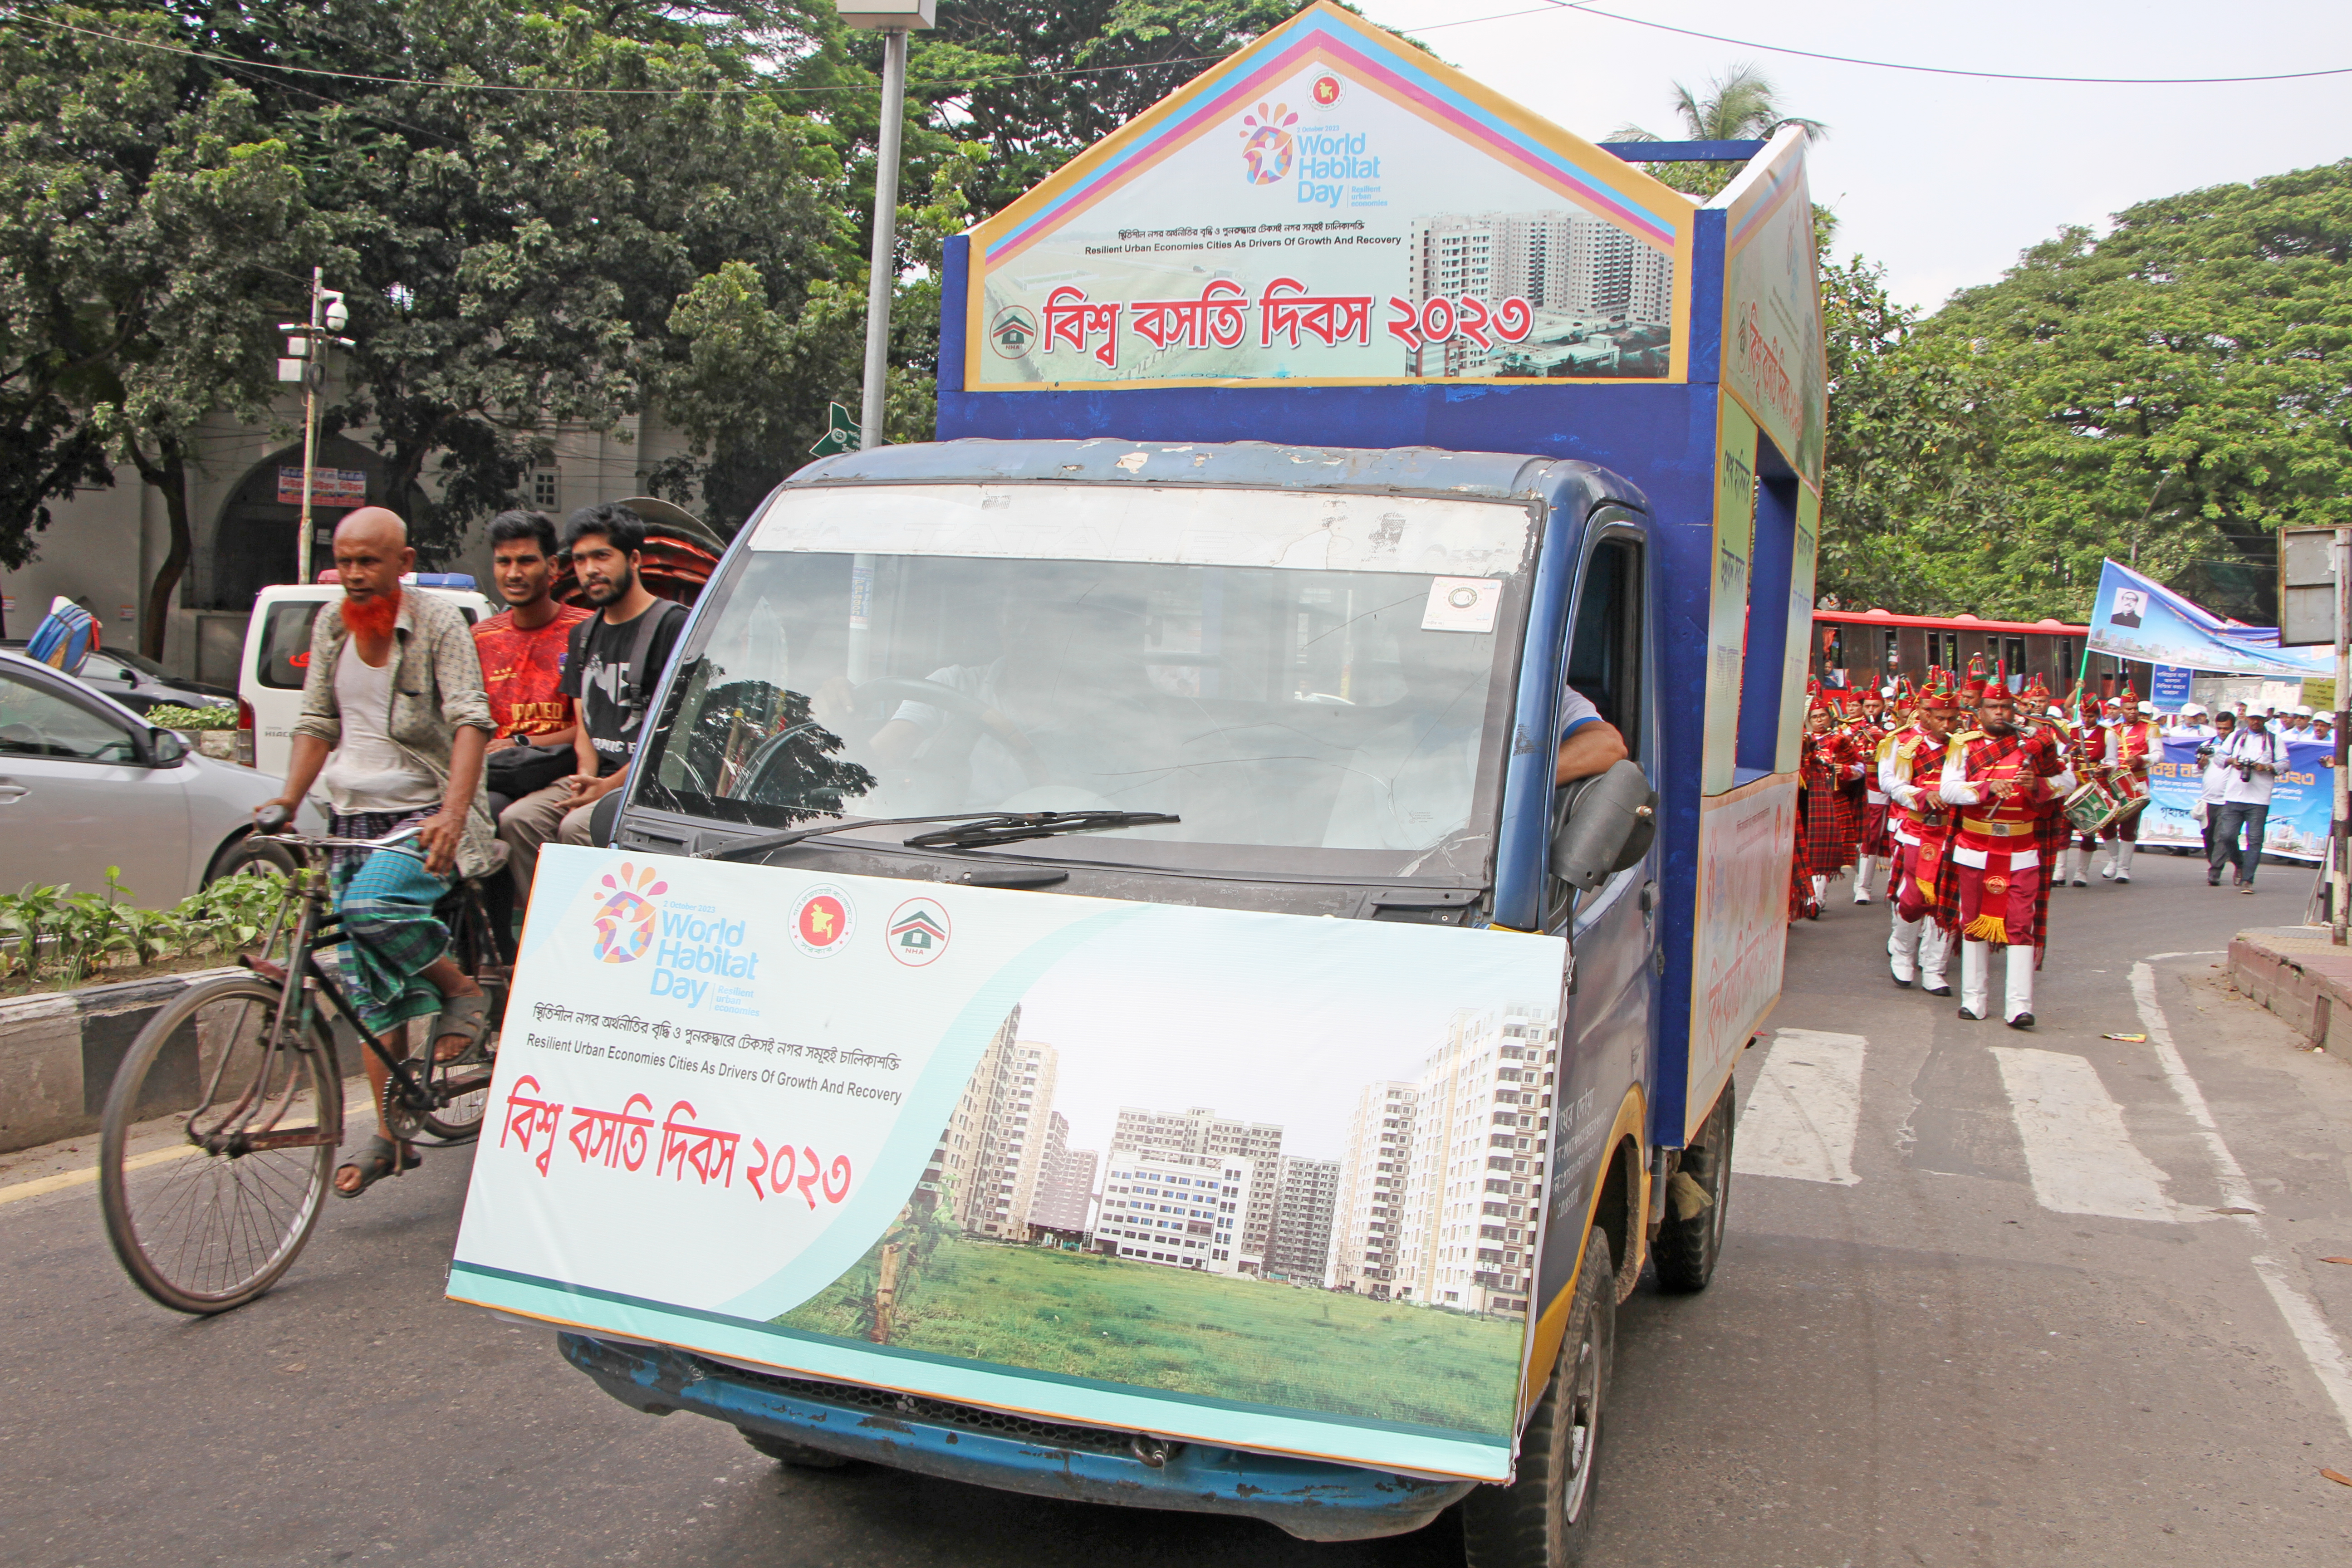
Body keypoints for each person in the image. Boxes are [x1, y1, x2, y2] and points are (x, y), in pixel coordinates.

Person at [255, 508, 499, 1196]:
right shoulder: (332, 625)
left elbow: (471, 720)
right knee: (367, 990)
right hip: (349, 814)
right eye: (346, 561)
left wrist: (454, 813)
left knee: (369, 906)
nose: (356, 575)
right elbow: (315, 722)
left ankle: (461, 991)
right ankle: (391, 1138)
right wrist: (286, 798)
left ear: (402, 561)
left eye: (370, 562)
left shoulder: (439, 624)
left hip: (423, 813)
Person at [499, 504, 686, 892]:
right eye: (581, 560)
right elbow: (585, 721)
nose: (589, 570)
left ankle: (594, 933)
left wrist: (607, 788)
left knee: (576, 826)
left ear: (633, 559)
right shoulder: (583, 635)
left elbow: (673, 735)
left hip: (648, 783)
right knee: (519, 819)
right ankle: (542, 928)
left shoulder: (673, 626)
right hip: (598, 776)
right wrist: (586, 778)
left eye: (602, 556)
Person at [1936, 680, 2073, 1028]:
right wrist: (1984, 789)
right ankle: (1974, 1000)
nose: (2000, 713)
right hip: (1975, 849)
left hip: (2022, 848)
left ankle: (2020, 1006)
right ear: (1979, 711)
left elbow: (2069, 781)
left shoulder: (2037, 744)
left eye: (2006, 707)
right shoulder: (1963, 745)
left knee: (2019, 926)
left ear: (2015, 709)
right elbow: (1948, 789)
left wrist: (2038, 785)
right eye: (1993, 708)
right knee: (1972, 925)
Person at [474, 510, 591, 911]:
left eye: (526, 561)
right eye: (504, 562)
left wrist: (522, 741)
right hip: (500, 775)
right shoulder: (481, 638)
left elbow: (591, 727)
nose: (514, 573)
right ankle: (493, 951)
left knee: (513, 819)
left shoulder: (586, 631)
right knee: (482, 815)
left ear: (553, 567)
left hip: (562, 770)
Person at [1882, 671, 1959, 994]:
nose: (1947, 724)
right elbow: (1890, 782)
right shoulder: (1901, 743)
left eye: (1952, 718)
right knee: (1912, 899)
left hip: (1955, 833)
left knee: (1948, 902)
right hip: (1917, 830)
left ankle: (1935, 967)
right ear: (1925, 713)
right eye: (1940, 717)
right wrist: (1920, 795)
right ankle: (1902, 954)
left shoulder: (1964, 746)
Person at [2208, 708, 2283, 892]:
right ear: (2247, 719)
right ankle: (2240, 864)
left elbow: (2285, 764)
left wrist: (2266, 767)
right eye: (2252, 719)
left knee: (2255, 840)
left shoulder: (2274, 740)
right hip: (2235, 795)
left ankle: (2248, 879)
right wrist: (2232, 761)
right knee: (2227, 836)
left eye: (2259, 719)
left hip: (2259, 798)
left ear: (2265, 719)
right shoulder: (2236, 737)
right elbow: (2218, 757)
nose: (2255, 722)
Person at [2196, 710, 2237, 865]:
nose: (2222, 732)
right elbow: (2196, 771)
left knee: (2222, 837)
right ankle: (2218, 863)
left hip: (2229, 799)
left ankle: (2215, 871)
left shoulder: (2239, 747)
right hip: (2209, 798)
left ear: (2233, 728)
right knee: (2209, 836)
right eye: (2219, 728)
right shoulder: (2207, 745)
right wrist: (2202, 765)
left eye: (2226, 729)